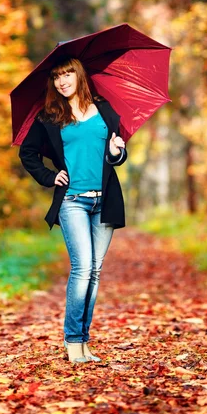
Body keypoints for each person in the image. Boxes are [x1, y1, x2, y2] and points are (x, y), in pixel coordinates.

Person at [19, 56, 127, 363]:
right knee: (82, 269)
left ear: (79, 75)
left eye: (67, 74)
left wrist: (118, 152)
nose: (62, 81)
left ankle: (84, 343)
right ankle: (73, 342)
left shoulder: (105, 110)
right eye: (56, 77)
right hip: (73, 201)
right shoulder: (50, 117)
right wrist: (50, 176)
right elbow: (28, 154)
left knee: (95, 271)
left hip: (104, 200)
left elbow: (115, 154)